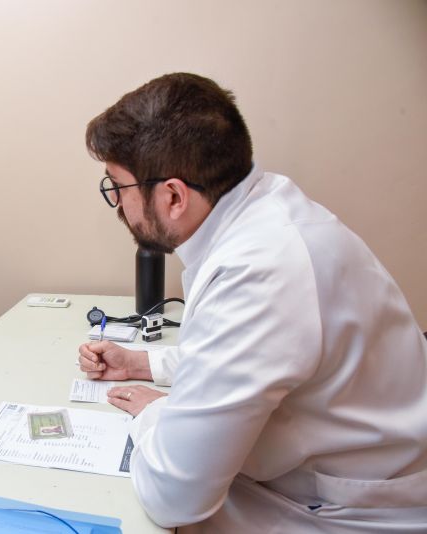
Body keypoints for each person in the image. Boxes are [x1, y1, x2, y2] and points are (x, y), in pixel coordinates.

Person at [78, 73, 427, 532]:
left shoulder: (259, 272)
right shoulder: (265, 210)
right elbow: (250, 355)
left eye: (118, 188)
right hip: (331, 469)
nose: (119, 205)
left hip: (349, 511)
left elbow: (174, 496)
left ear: (173, 196)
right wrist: (141, 362)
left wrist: (154, 412)